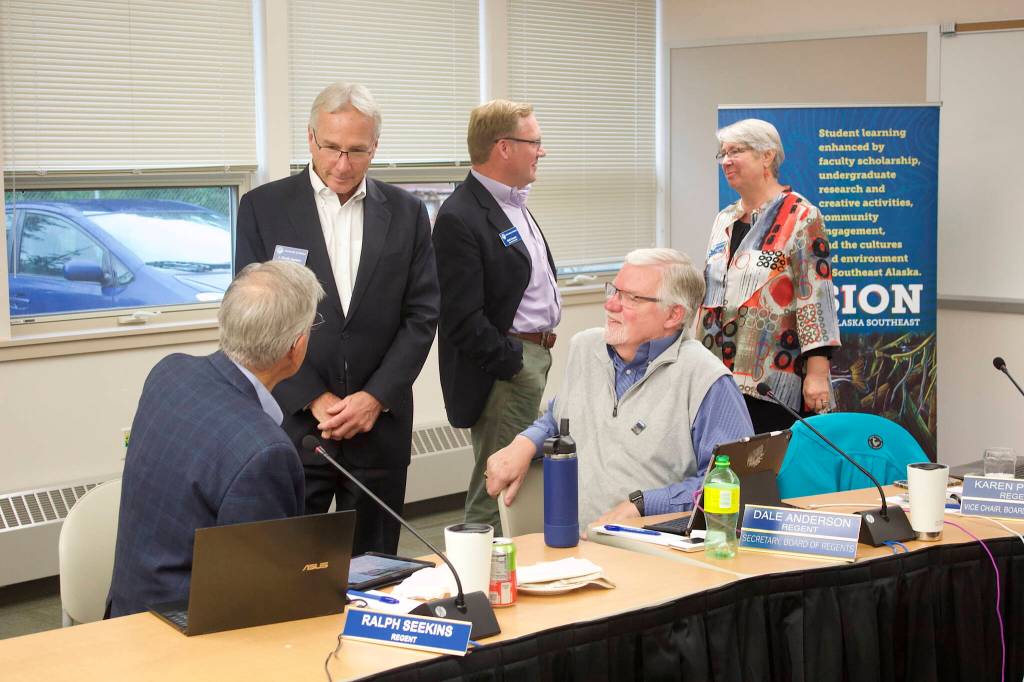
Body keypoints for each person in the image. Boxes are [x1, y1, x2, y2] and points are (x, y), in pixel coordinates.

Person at [234, 82, 439, 554]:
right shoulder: (264, 209)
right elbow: (251, 320)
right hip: (292, 427)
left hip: (378, 429)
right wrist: (313, 397)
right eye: (331, 148)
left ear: (375, 147)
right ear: (311, 138)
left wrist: (375, 398)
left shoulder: (407, 214)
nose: (342, 165)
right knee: (285, 571)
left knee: (377, 574)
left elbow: (422, 315)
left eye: (356, 151)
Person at [107, 261, 324, 617]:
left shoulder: (168, 372)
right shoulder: (265, 452)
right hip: (183, 639)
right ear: (296, 348)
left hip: (126, 612)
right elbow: (260, 597)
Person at [484, 249, 753, 530]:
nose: (611, 305)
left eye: (631, 298)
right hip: (579, 548)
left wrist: (642, 505)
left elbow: (736, 480)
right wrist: (524, 444)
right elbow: (562, 416)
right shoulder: (584, 348)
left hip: (659, 552)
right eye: (614, 291)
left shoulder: (707, 379)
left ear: (674, 314)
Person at [433, 100, 560, 531]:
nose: (541, 151)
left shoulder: (513, 202)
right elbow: (460, 317)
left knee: (513, 482)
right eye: (535, 142)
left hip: (530, 357)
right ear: (504, 147)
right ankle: (477, 585)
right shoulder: (461, 215)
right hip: (506, 370)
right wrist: (515, 364)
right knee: (497, 487)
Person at [700, 118, 840, 433]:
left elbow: (816, 297)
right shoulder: (724, 219)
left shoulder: (801, 216)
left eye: (736, 151)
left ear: (767, 156)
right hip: (720, 375)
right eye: (722, 153)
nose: (726, 161)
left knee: (769, 469)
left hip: (772, 380)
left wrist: (817, 373)